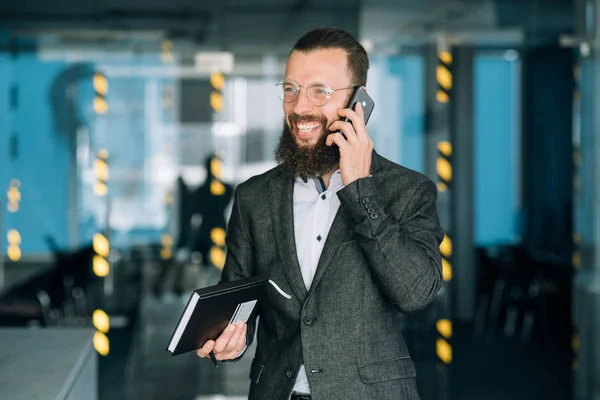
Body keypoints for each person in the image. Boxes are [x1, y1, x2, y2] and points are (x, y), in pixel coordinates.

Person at [197, 27, 444, 400]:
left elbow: (416, 294)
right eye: (291, 89)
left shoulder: (407, 191)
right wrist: (229, 340)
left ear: (358, 103)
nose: (300, 107)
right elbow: (237, 305)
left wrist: (360, 189)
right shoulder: (254, 197)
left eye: (320, 91)